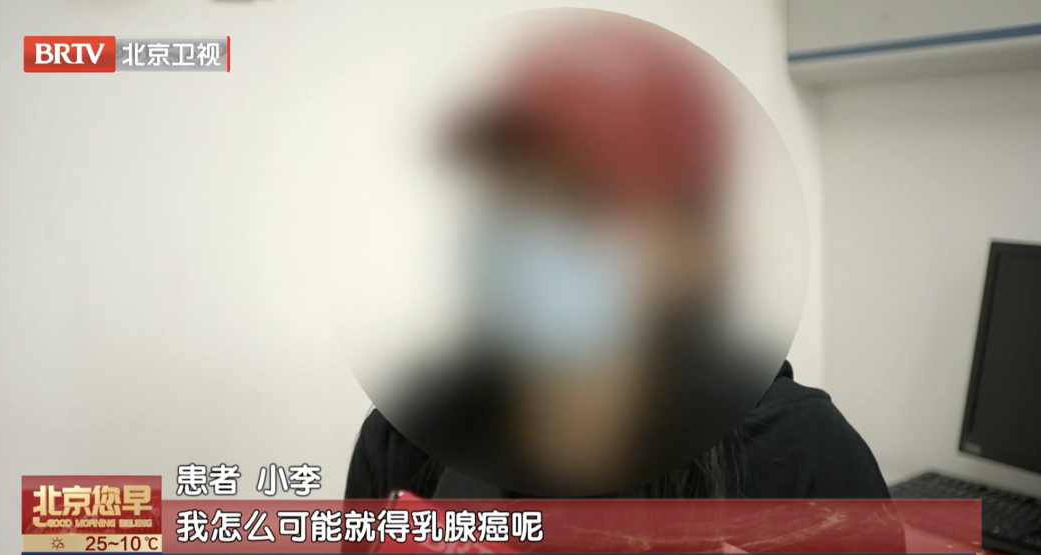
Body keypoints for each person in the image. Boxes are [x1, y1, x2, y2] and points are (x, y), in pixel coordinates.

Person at [345, 11, 890, 502]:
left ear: (694, 246)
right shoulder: (405, 441)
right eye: (506, 198)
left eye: (582, 201)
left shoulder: (798, 458)